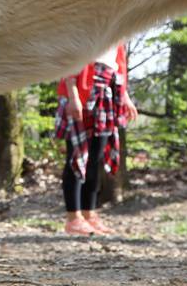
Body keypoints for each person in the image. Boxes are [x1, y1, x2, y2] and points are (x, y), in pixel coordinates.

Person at [55, 42, 137, 235]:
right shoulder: (92, 23)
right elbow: (71, 59)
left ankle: (89, 214)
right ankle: (73, 218)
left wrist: (124, 96)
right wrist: (73, 96)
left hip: (107, 93)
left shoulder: (119, 32)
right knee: (77, 156)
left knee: (95, 158)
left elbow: (118, 66)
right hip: (81, 91)